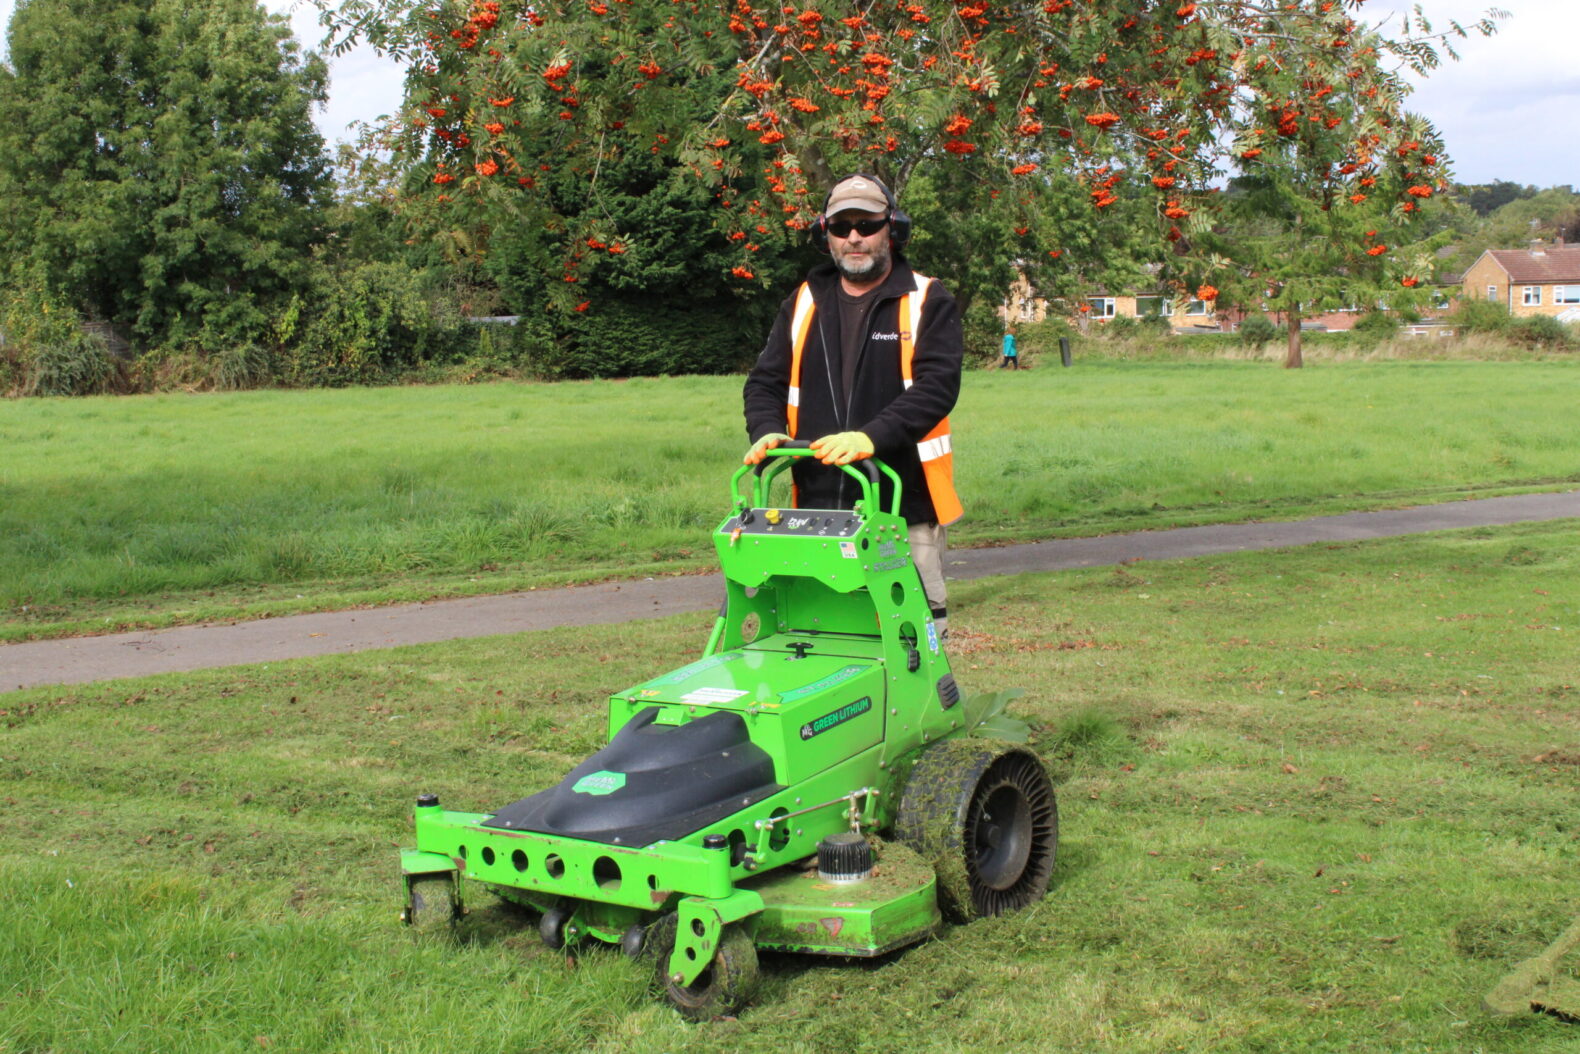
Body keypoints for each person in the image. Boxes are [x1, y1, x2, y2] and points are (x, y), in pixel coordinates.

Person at [742, 173, 963, 636]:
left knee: (912, 647)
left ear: (893, 229)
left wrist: (870, 437)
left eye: (867, 224)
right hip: (818, 508)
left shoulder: (927, 299)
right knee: (823, 639)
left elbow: (937, 387)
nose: (855, 237)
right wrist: (766, 429)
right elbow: (765, 382)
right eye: (842, 228)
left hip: (904, 511)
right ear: (827, 235)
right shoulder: (803, 302)